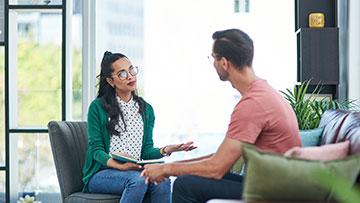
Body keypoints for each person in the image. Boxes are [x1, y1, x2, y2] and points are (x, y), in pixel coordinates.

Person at [141, 28, 301, 202]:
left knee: (185, 185)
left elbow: (216, 168)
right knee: (193, 179)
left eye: (213, 58)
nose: (213, 63)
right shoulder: (264, 93)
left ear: (224, 63)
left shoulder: (253, 104)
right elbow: (220, 159)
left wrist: (167, 170)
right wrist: (167, 167)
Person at [82, 51, 197, 203]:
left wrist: (167, 149)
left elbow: (146, 151)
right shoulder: (97, 107)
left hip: (134, 170)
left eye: (131, 70)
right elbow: (96, 150)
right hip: (102, 173)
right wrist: (121, 167)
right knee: (137, 180)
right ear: (110, 81)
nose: (130, 76)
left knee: (163, 180)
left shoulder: (146, 109)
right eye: (122, 74)